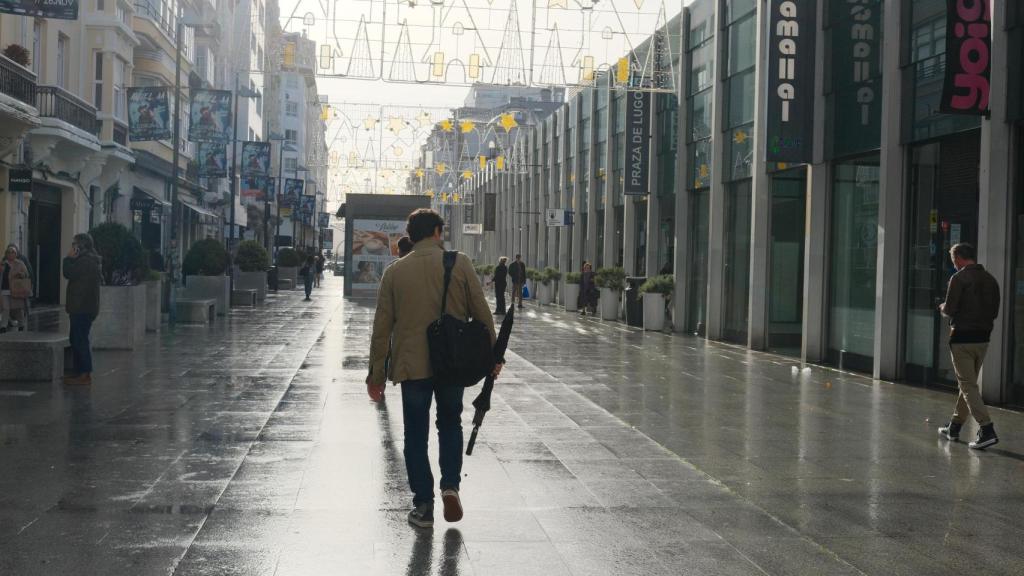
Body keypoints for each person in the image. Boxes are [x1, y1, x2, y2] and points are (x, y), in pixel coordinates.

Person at [366, 208, 501, 529]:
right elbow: (482, 315)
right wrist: (494, 358)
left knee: (415, 434)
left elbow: (381, 328)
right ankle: (450, 486)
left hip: (411, 365)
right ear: (439, 232)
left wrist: (376, 375)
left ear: (411, 236)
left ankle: (423, 505)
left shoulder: (395, 272)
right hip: (451, 363)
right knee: (450, 423)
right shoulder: (459, 263)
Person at [937, 243, 1000, 449]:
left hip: (962, 338)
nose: (954, 265)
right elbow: (994, 312)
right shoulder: (991, 280)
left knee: (967, 385)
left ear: (959, 258)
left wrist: (942, 307)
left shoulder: (959, 278)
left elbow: (950, 309)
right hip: (983, 338)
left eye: (954, 261)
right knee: (968, 384)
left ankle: (987, 429)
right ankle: (954, 427)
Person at [63, 234, 102, 386]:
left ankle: (84, 373)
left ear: (80, 246)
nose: (72, 247)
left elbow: (68, 273)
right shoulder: (89, 260)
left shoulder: (85, 261)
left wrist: (68, 258)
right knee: (76, 339)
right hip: (83, 306)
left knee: (80, 340)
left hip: (81, 307)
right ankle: (79, 372)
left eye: (74, 244)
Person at [1, 245, 31, 332]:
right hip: (5, 289)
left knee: (18, 308)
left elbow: (26, 274)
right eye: (9, 252)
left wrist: (21, 275)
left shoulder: (20, 263)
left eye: (13, 252)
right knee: (5, 308)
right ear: (6, 254)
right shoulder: (3, 263)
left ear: (16, 254)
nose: (11, 254)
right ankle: (3, 326)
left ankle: (21, 324)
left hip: (16, 289)